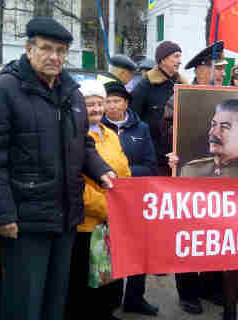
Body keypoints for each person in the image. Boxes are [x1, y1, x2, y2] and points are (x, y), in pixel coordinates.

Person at [0, 17, 115, 320]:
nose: (54, 57)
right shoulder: (6, 90)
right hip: (25, 221)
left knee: (55, 300)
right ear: (28, 49)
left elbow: (83, 144)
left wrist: (101, 170)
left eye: (61, 51)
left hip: (65, 217)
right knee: (23, 302)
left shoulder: (71, 93)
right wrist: (4, 214)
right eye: (46, 48)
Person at [178, 99, 238, 320]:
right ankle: (229, 313)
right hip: (210, 242)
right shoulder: (192, 171)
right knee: (230, 267)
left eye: (225, 126)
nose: (214, 132)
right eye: (213, 124)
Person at [66, 80, 131, 320]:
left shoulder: (110, 135)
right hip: (86, 224)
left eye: (99, 103)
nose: (95, 109)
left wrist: (125, 201)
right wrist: (107, 207)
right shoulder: (74, 136)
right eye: (89, 104)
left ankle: (106, 314)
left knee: (109, 278)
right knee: (84, 282)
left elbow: (124, 172)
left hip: (113, 222)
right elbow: (74, 183)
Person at [178, 40, 229, 309]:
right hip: (190, 177)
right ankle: (187, 293)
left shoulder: (230, 98)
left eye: (223, 68)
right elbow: (171, 137)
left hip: (220, 178)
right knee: (188, 236)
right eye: (216, 68)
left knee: (215, 235)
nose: (222, 73)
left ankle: (211, 286)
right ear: (200, 69)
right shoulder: (181, 96)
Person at [101, 81, 159, 316]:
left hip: (135, 198)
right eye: (108, 100)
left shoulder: (140, 128)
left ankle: (135, 297)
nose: (112, 105)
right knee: (109, 251)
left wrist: (120, 173)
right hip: (105, 199)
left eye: (117, 100)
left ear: (126, 103)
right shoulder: (96, 128)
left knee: (138, 251)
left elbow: (150, 166)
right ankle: (112, 300)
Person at [131, 40, 187, 176]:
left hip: (176, 158)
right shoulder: (145, 85)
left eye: (180, 56)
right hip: (152, 158)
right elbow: (133, 118)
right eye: (176, 56)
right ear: (162, 60)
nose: (180, 61)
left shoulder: (182, 85)